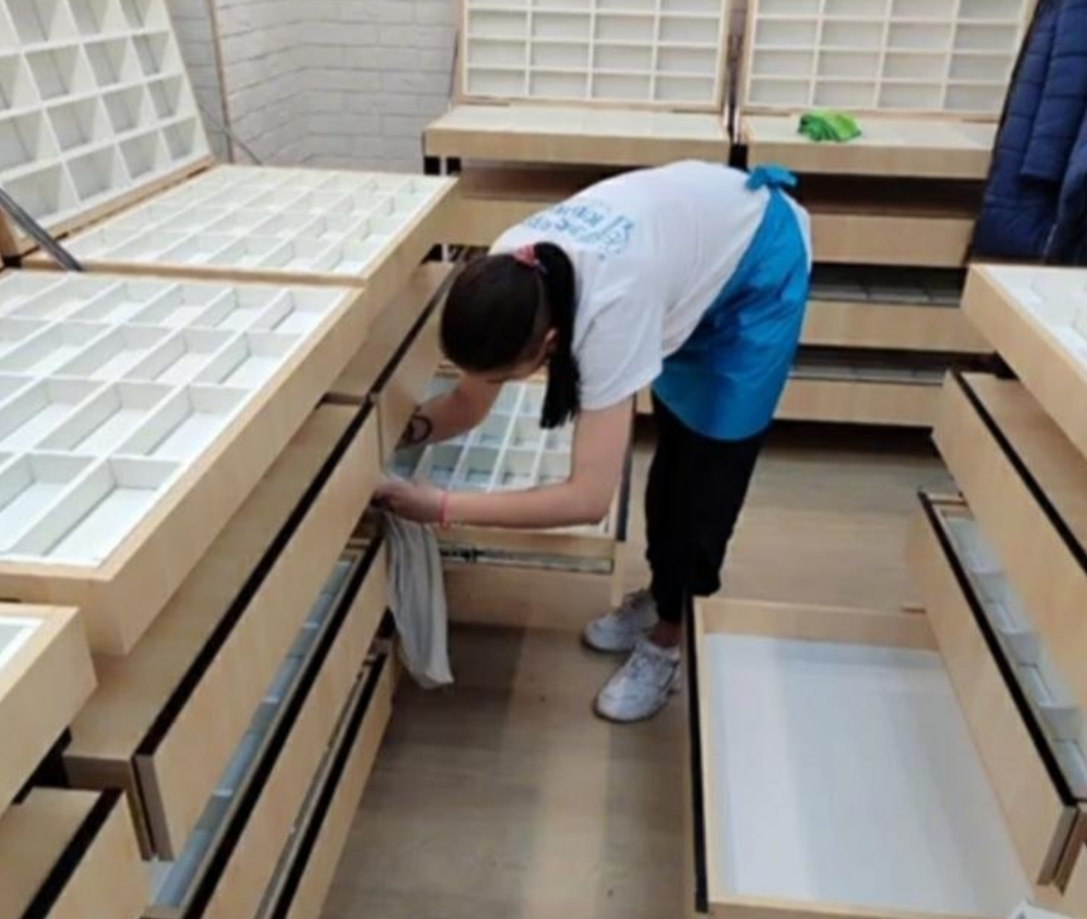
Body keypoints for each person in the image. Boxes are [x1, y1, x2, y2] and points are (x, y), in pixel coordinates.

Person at [375, 160, 811, 723]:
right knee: (676, 450)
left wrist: (440, 507)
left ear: (550, 343)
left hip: (758, 267)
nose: (498, 385)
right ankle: (661, 590)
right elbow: (467, 402)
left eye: (507, 377)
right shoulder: (510, 270)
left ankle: (669, 639)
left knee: (706, 473)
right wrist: (402, 433)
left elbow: (588, 498)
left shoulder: (612, 311)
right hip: (688, 246)